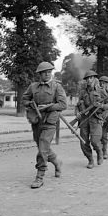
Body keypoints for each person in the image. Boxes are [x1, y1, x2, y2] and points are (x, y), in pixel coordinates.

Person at [22, 61, 67, 189]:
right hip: (36, 121)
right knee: (42, 147)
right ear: (39, 74)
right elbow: (24, 99)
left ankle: (39, 176)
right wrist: (31, 104)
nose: (47, 74)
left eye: (49, 72)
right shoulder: (33, 87)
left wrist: (48, 107)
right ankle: (57, 162)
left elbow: (63, 105)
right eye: (44, 72)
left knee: (43, 148)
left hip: (50, 122)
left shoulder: (57, 87)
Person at [75, 70, 108, 169]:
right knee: (83, 141)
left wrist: (102, 105)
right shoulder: (83, 92)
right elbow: (77, 105)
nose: (89, 80)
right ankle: (90, 159)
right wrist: (77, 113)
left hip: (96, 119)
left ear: (95, 78)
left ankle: (100, 151)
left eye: (91, 78)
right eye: (87, 79)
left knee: (95, 141)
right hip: (84, 120)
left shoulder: (100, 90)